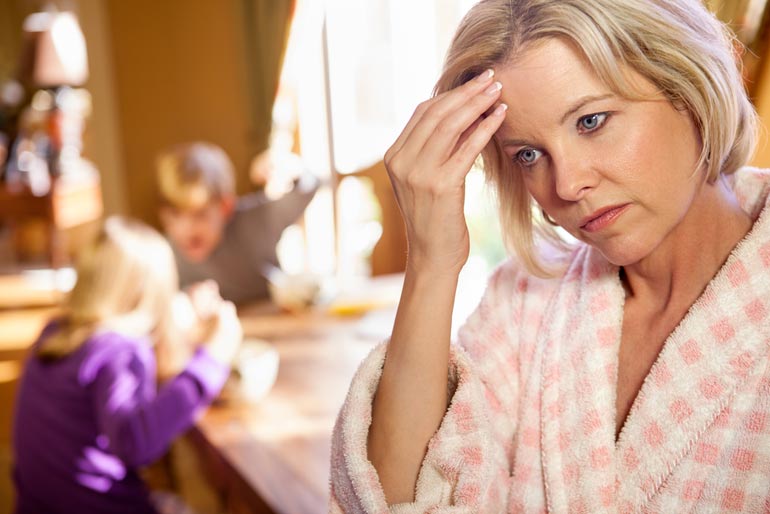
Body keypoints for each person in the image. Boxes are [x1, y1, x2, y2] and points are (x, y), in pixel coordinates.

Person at [330, 0, 770, 512]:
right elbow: (400, 498)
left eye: (591, 121)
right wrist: (430, 263)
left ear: (688, 87)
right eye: (528, 154)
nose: (566, 184)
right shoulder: (522, 303)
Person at [12, 216, 242, 514]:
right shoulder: (119, 352)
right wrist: (213, 359)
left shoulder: (55, 332)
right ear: (153, 295)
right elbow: (136, 441)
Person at [156, 141, 319, 304]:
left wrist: (289, 166)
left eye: (200, 214)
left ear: (225, 207)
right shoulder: (163, 255)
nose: (186, 229)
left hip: (271, 315)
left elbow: (307, 189)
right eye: (175, 214)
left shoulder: (255, 221)